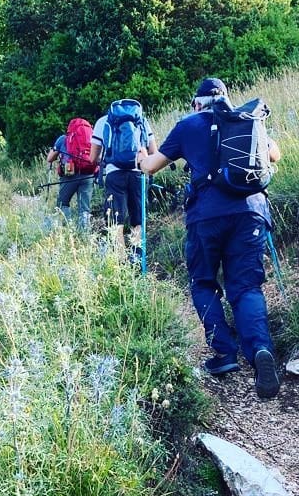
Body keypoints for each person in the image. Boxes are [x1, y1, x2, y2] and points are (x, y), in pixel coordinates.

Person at [139, 77, 281, 399]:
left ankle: (224, 355)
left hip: (207, 217)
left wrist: (139, 157)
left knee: (203, 282)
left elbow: (151, 167)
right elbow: (274, 154)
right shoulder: (245, 119)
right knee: (246, 286)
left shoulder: (187, 125)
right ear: (227, 99)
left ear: (196, 104)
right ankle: (260, 350)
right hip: (251, 212)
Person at [89, 102, 157, 263]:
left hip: (114, 174)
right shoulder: (142, 121)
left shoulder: (103, 121)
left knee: (115, 218)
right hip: (138, 173)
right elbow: (154, 152)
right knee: (137, 217)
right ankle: (137, 258)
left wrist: (107, 161)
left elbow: (93, 158)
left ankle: (120, 260)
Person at [46, 132, 94, 231]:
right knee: (84, 207)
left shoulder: (63, 138)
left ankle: (67, 229)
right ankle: (84, 234)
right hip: (88, 174)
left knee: (62, 203)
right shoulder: (91, 137)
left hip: (69, 174)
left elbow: (50, 158)